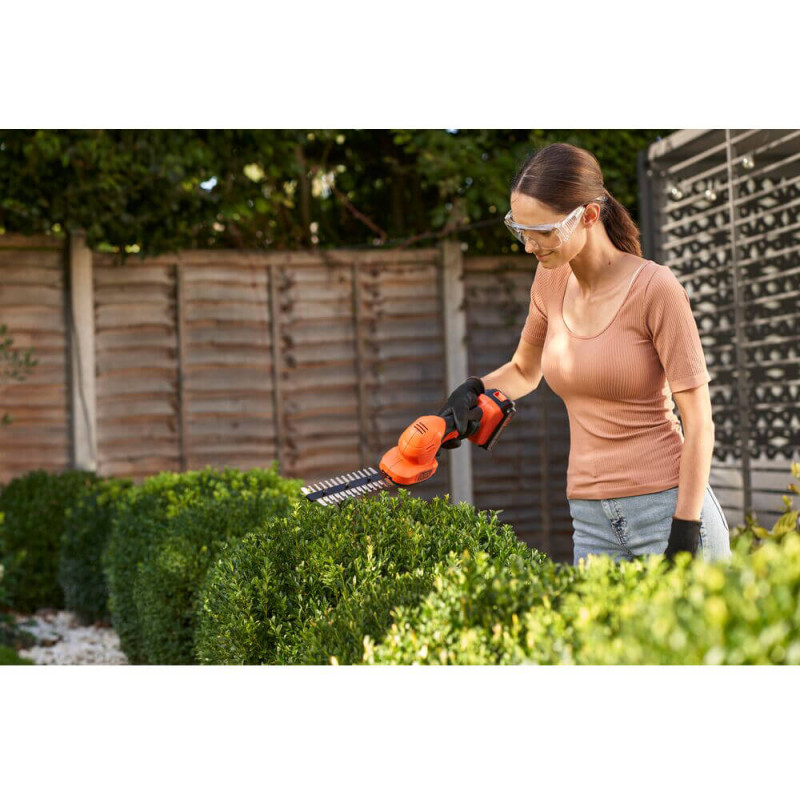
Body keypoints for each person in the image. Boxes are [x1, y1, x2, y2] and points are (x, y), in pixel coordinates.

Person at [438, 142, 731, 565]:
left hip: (668, 510)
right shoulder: (550, 282)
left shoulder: (656, 289)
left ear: (589, 215)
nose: (529, 245)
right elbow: (524, 370)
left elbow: (700, 421)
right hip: (591, 519)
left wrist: (685, 527)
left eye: (542, 231)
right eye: (521, 230)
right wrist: (471, 391)